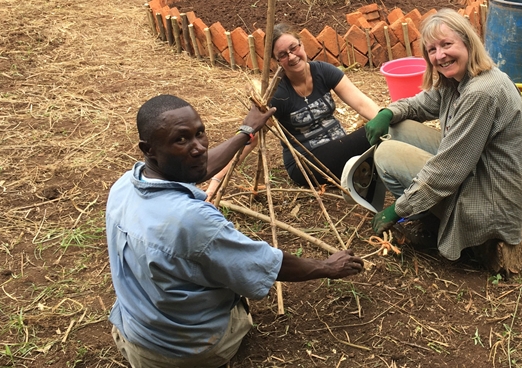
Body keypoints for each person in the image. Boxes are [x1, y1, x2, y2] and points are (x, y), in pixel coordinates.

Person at [106, 95, 363, 368]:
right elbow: (265, 264)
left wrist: (246, 131)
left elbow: (199, 166)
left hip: (133, 332)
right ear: (148, 149)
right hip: (185, 351)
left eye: (200, 133)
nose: (199, 148)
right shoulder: (191, 220)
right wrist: (326, 267)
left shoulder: (124, 185)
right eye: (181, 140)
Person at [365, 9, 522, 262]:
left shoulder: (481, 93)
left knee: (387, 153)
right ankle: (429, 216)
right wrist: (387, 112)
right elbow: (420, 104)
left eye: (446, 44)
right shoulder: (457, 80)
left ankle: (433, 226)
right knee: (397, 128)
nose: (440, 55)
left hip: (490, 197)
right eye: (432, 49)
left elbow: (449, 168)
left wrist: (398, 209)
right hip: (478, 172)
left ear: (467, 42)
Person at [268, 23, 380, 187]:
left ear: (302, 44)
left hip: (339, 146)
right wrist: (218, 175)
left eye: (293, 48)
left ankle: (360, 171)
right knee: (369, 134)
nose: (291, 57)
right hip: (306, 162)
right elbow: (252, 133)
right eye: (283, 55)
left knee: (381, 127)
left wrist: (385, 119)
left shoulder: (323, 71)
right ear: (277, 61)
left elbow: (362, 104)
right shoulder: (278, 94)